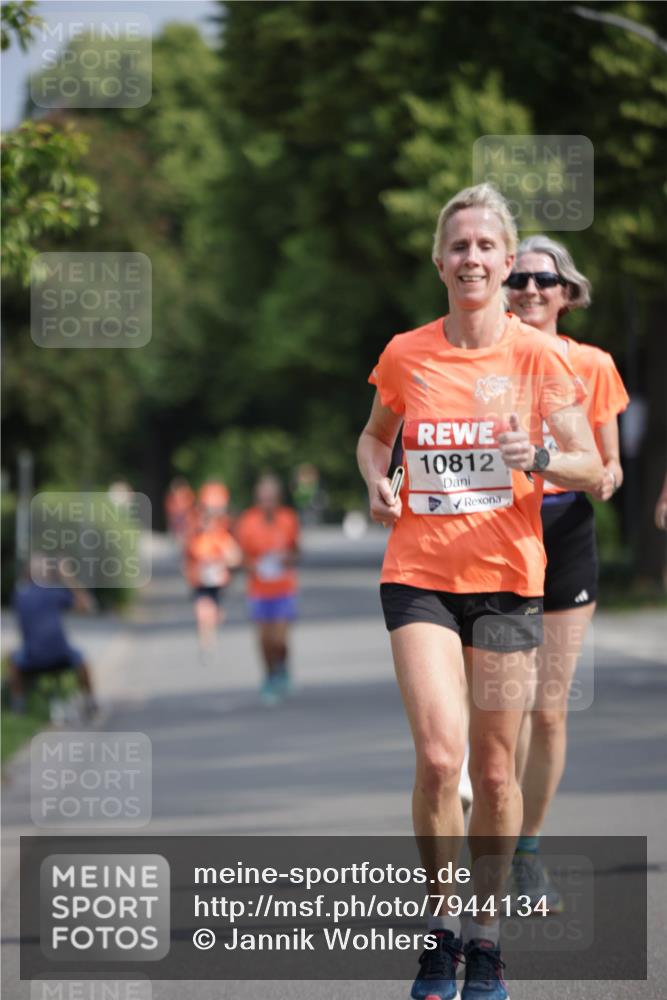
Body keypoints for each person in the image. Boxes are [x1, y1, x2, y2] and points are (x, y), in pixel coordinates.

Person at [357, 183, 603, 1000]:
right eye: (457, 246)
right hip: (418, 575)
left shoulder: (539, 357)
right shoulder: (406, 352)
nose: (471, 258)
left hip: (506, 582)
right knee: (439, 758)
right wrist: (375, 484)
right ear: (439, 261)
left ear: (505, 263)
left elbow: (590, 467)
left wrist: (533, 451)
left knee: (496, 775)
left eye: (485, 247)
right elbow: (372, 437)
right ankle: (437, 937)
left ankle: (486, 942)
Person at [506, 236, 629, 911]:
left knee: (546, 710)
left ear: (566, 292)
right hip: (491, 536)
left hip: (562, 531)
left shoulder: (591, 364)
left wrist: (599, 473)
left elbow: (607, 467)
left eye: (542, 280)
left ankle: (526, 852)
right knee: (501, 703)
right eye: (517, 278)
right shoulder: (480, 359)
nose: (529, 289)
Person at [236, 474, 300, 706]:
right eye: (263, 499)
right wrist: (254, 565)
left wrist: (286, 559)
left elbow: (297, 551)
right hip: (258, 589)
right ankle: (270, 676)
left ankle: (282, 667)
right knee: (264, 639)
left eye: (271, 499)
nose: (267, 504)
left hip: (284, 587)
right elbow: (239, 556)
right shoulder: (247, 521)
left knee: (280, 639)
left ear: (278, 499)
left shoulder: (288, 519)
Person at [8, 554, 97, 717]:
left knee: (12, 660)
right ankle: (90, 702)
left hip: (32, 657)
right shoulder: (54, 592)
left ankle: (18, 706)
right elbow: (88, 606)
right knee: (83, 661)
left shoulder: (20, 595)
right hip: (60, 655)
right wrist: (68, 576)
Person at [184, 481, 241, 662]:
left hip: (217, 581)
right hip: (200, 582)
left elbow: (235, 557)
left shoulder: (221, 537)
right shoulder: (194, 537)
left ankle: (213, 626)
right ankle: (206, 644)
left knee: (213, 614)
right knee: (201, 612)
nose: (205, 522)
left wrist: (219, 561)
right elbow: (187, 558)